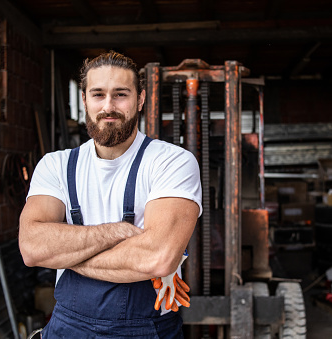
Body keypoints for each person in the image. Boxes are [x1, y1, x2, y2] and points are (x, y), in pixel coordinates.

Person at [19, 51, 202, 338]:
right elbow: (31, 248)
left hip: (145, 330)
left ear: (140, 99)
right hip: (67, 326)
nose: (108, 106)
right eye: (98, 94)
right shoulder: (55, 165)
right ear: (84, 101)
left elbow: (158, 258)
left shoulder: (172, 162)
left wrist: (63, 254)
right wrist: (118, 233)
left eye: (120, 94)